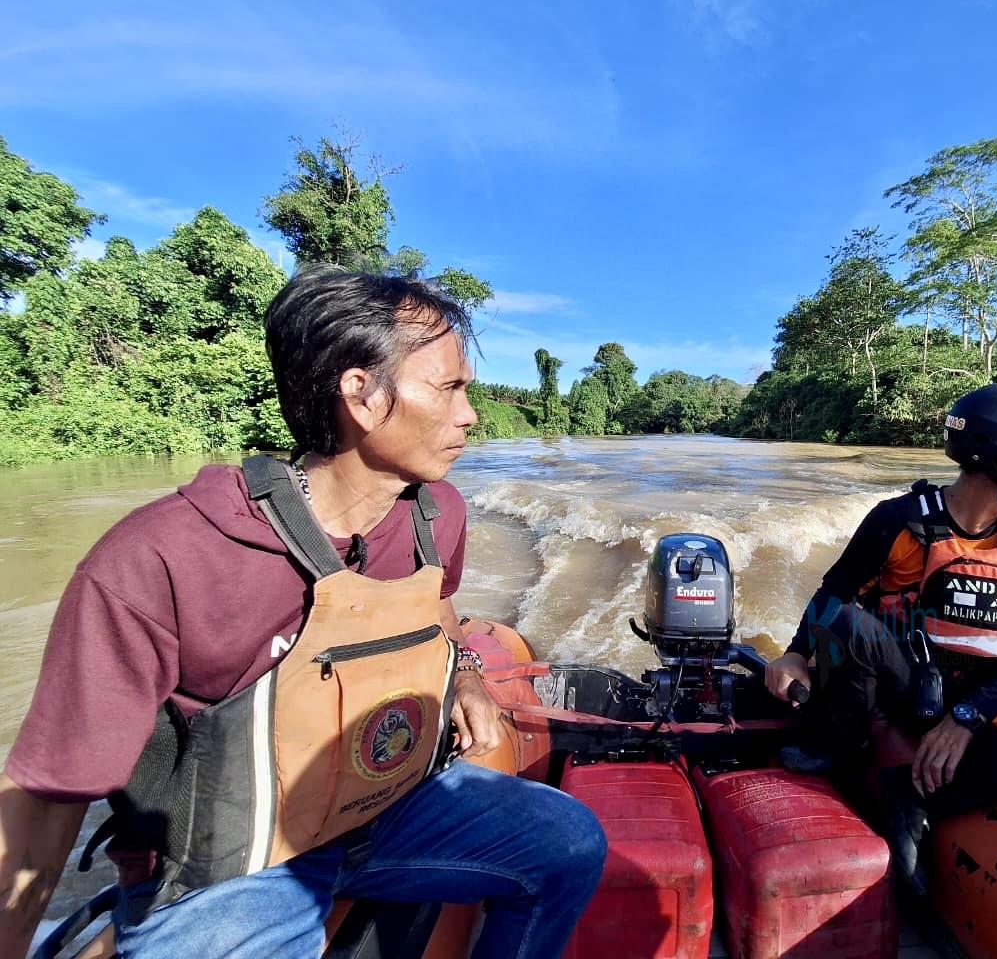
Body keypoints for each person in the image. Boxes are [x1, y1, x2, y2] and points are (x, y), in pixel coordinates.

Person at [0, 269, 607, 959]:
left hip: (389, 810)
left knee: (569, 844)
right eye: (450, 388)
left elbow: (436, 600)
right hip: (232, 871)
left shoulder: (440, 515)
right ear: (361, 394)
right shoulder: (164, 554)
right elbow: (48, 792)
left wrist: (466, 673)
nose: (470, 414)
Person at [765, 382, 997, 893]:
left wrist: (970, 717)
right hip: (913, 686)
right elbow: (835, 593)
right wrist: (795, 654)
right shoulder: (898, 521)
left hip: (989, 696)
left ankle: (916, 795)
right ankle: (843, 749)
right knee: (847, 622)